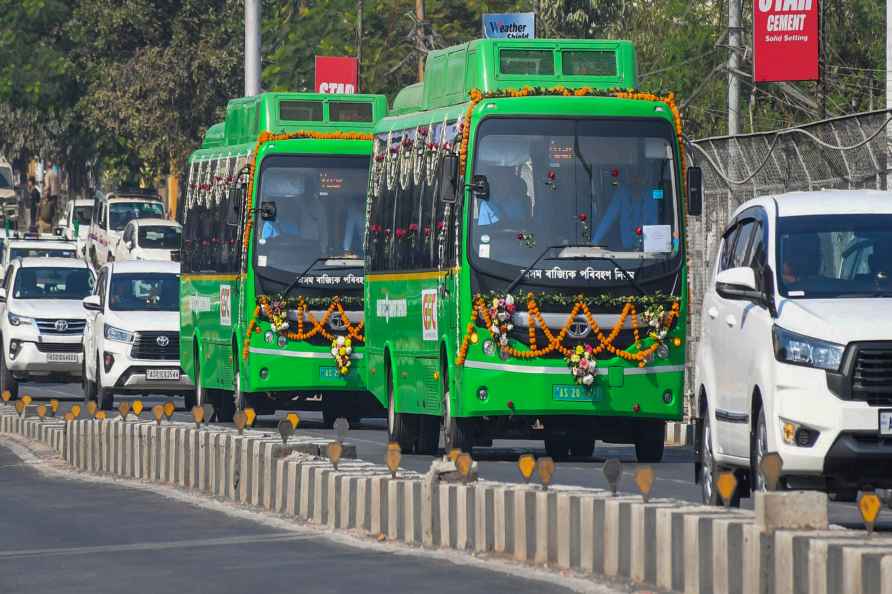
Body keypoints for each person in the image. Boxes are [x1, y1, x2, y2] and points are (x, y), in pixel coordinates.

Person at [590, 170, 658, 250]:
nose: (636, 180)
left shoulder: (652, 194)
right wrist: (595, 242)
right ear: (628, 178)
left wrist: (656, 245)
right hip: (625, 251)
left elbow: (655, 222)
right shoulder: (622, 193)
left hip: (648, 250)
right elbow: (608, 218)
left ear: (645, 178)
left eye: (639, 176)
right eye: (633, 176)